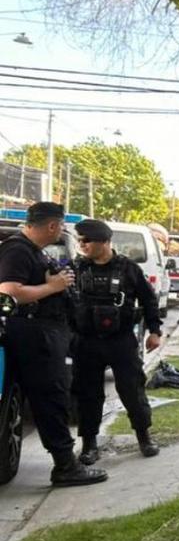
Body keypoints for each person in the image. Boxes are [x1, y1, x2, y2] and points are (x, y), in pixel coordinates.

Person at [0, 203, 106, 486]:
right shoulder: (17, 249)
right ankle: (65, 466)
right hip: (34, 336)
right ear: (51, 226)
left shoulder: (32, 250)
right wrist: (53, 287)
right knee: (51, 399)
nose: (62, 231)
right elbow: (9, 292)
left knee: (52, 397)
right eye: (60, 226)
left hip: (45, 333)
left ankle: (65, 463)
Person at [70, 219, 162, 464]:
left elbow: (149, 300)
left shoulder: (128, 268)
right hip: (86, 341)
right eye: (80, 241)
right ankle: (89, 444)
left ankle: (144, 437)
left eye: (87, 240)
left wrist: (155, 331)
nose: (83, 245)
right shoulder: (76, 268)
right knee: (87, 394)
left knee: (132, 390)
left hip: (120, 340)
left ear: (105, 242)